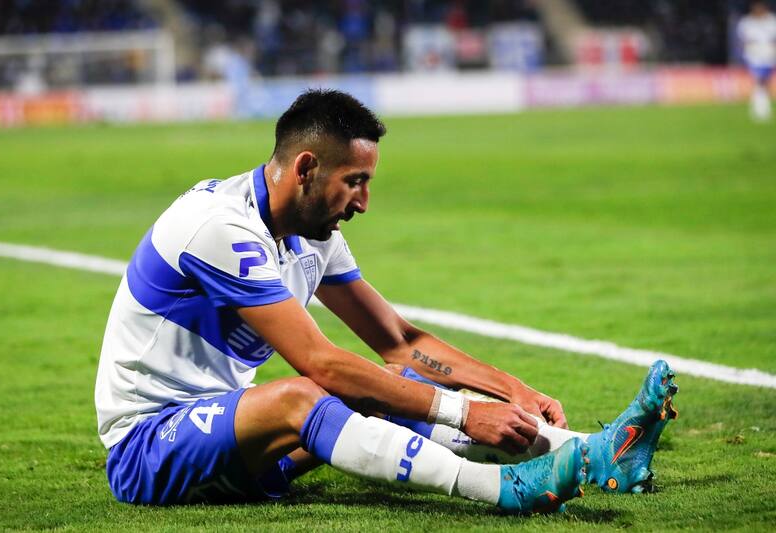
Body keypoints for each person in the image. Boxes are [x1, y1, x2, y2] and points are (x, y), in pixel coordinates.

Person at [95, 89, 678, 512]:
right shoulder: (218, 227)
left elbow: (401, 343)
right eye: (355, 181)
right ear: (306, 168)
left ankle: (598, 454)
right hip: (147, 448)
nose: (364, 202)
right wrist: (464, 412)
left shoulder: (312, 235)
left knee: (382, 385)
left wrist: (511, 389)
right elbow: (321, 363)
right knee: (309, 393)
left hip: (241, 447)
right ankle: (502, 490)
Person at [738, 1, 776, 121]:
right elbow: (742, 40)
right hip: (754, 56)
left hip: (769, 56)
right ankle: (759, 108)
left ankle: (762, 106)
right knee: (759, 81)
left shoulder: (772, 21)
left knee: (766, 81)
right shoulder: (746, 22)